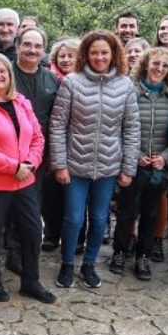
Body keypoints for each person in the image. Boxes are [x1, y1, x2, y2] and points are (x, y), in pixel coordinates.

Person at [50, 30, 140, 290]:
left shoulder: (125, 84)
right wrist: (60, 164)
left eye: (104, 52)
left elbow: (132, 129)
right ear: (85, 55)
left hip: (109, 166)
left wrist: (128, 168)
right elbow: (57, 126)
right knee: (74, 218)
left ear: (114, 55)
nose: (99, 57)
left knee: (100, 219)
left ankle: (89, 264)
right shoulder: (72, 82)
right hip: (75, 165)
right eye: (94, 52)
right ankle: (67, 264)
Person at [0, 54, 54, 305]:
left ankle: (31, 281)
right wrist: (13, 167)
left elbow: (38, 138)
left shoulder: (22, 102)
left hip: (24, 180)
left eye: (3, 72)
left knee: (32, 231)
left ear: (10, 76)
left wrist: (31, 163)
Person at [112, 47, 168, 279]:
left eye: (165, 65)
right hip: (133, 164)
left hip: (159, 167)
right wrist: (135, 154)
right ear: (145, 64)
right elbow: (118, 128)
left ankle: (143, 257)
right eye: (155, 63)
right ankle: (119, 252)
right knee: (126, 212)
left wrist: (166, 157)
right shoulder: (128, 93)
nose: (159, 69)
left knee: (151, 214)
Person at [12, 28, 62, 251]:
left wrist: (53, 154)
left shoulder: (51, 78)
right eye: (27, 45)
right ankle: (6, 247)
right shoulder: (6, 74)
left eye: (38, 46)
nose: (32, 50)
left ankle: (21, 249)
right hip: (7, 151)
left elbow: (57, 118)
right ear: (18, 46)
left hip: (38, 154)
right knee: (4, 205)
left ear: (44, 50)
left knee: (32, 203)